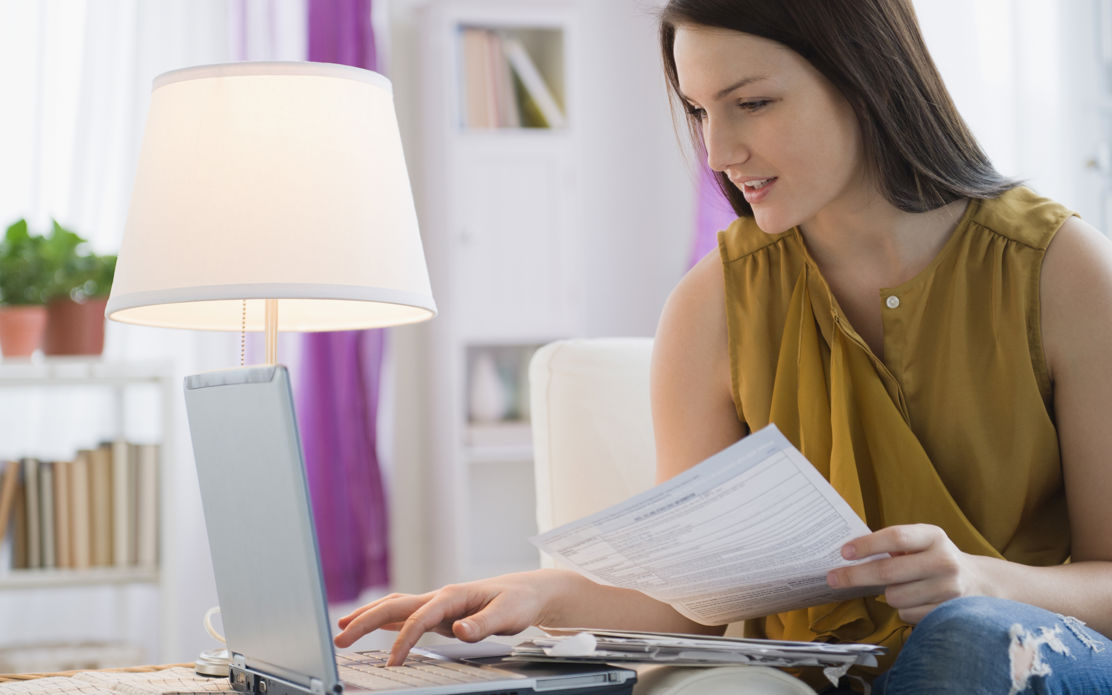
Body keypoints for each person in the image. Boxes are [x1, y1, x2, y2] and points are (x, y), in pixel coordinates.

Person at [335, 1, 1112, 692]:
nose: (717, 151)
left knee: (970, 635)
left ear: (868, 77)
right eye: (701, 110)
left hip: (1026, 653)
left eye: (753, 103)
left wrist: (981, 579)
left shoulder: (1059, 268)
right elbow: (698, 604)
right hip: (822, 676)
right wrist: (539, 595)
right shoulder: (711, 305)